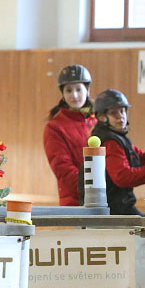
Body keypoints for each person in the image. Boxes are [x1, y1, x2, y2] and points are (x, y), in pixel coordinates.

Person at [87, 89, 145, 215]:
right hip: (113, 210)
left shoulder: (118, 138)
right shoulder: (110, 142)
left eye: (123, 111)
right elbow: (123, 176)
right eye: (114, 113)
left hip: (118, 206)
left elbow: (141, 157)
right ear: (102, 117)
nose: (121, 117)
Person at [44, 64, 95, 205]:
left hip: (103, 199)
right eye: (68, 90)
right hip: (75, 202)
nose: (74, 95)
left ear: (88, 90)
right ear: (63, 94)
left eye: (79, 89)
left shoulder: (97, 121)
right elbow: (63, 170)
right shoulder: (54, 127)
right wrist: (94, 188)